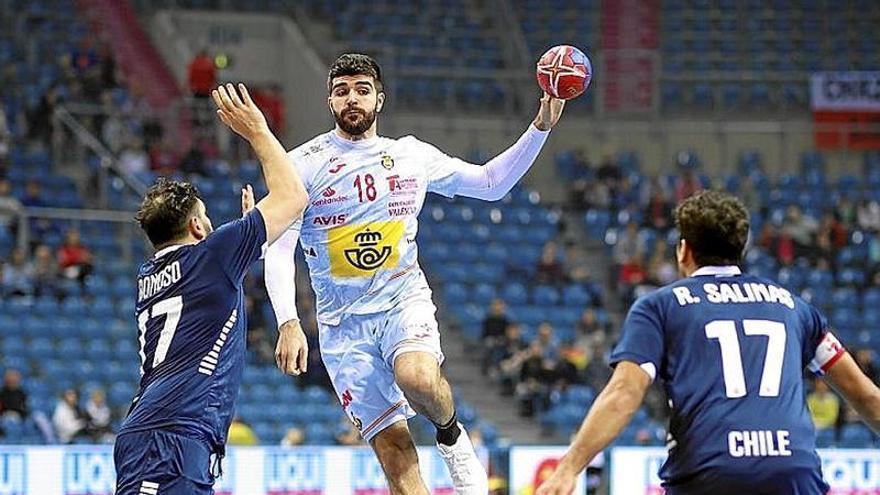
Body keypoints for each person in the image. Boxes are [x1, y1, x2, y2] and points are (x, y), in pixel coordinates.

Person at [264, 53, 565, 494]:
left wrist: (540, 127)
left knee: (418, 378)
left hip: (402, 302)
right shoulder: (301, 164)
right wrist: (289, 321)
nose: (352, 99)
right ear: (330, 101)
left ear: (379, 100)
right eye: (342, 91)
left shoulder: (409, 155)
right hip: (341, 327)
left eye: (362, 90)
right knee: (395, 455)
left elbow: (490, 183)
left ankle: (451, 433)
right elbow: (279, 247)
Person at [537, 190, 880, 495]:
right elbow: (866, 396)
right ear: (740, 248)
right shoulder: (793, 306)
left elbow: (624, 393)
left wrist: (569, 468)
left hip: (710, 472)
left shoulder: (660, 306)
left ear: (684, 249)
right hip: (794, 473)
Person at [113, 83, 308, 495]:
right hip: (172, 435)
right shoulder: (212, 255)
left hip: (163, 431)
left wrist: (243, 246)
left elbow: (209, 300)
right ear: (198, 227)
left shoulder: (151, 274)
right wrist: (257, 130)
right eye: (208, 219)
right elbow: (293, 197)